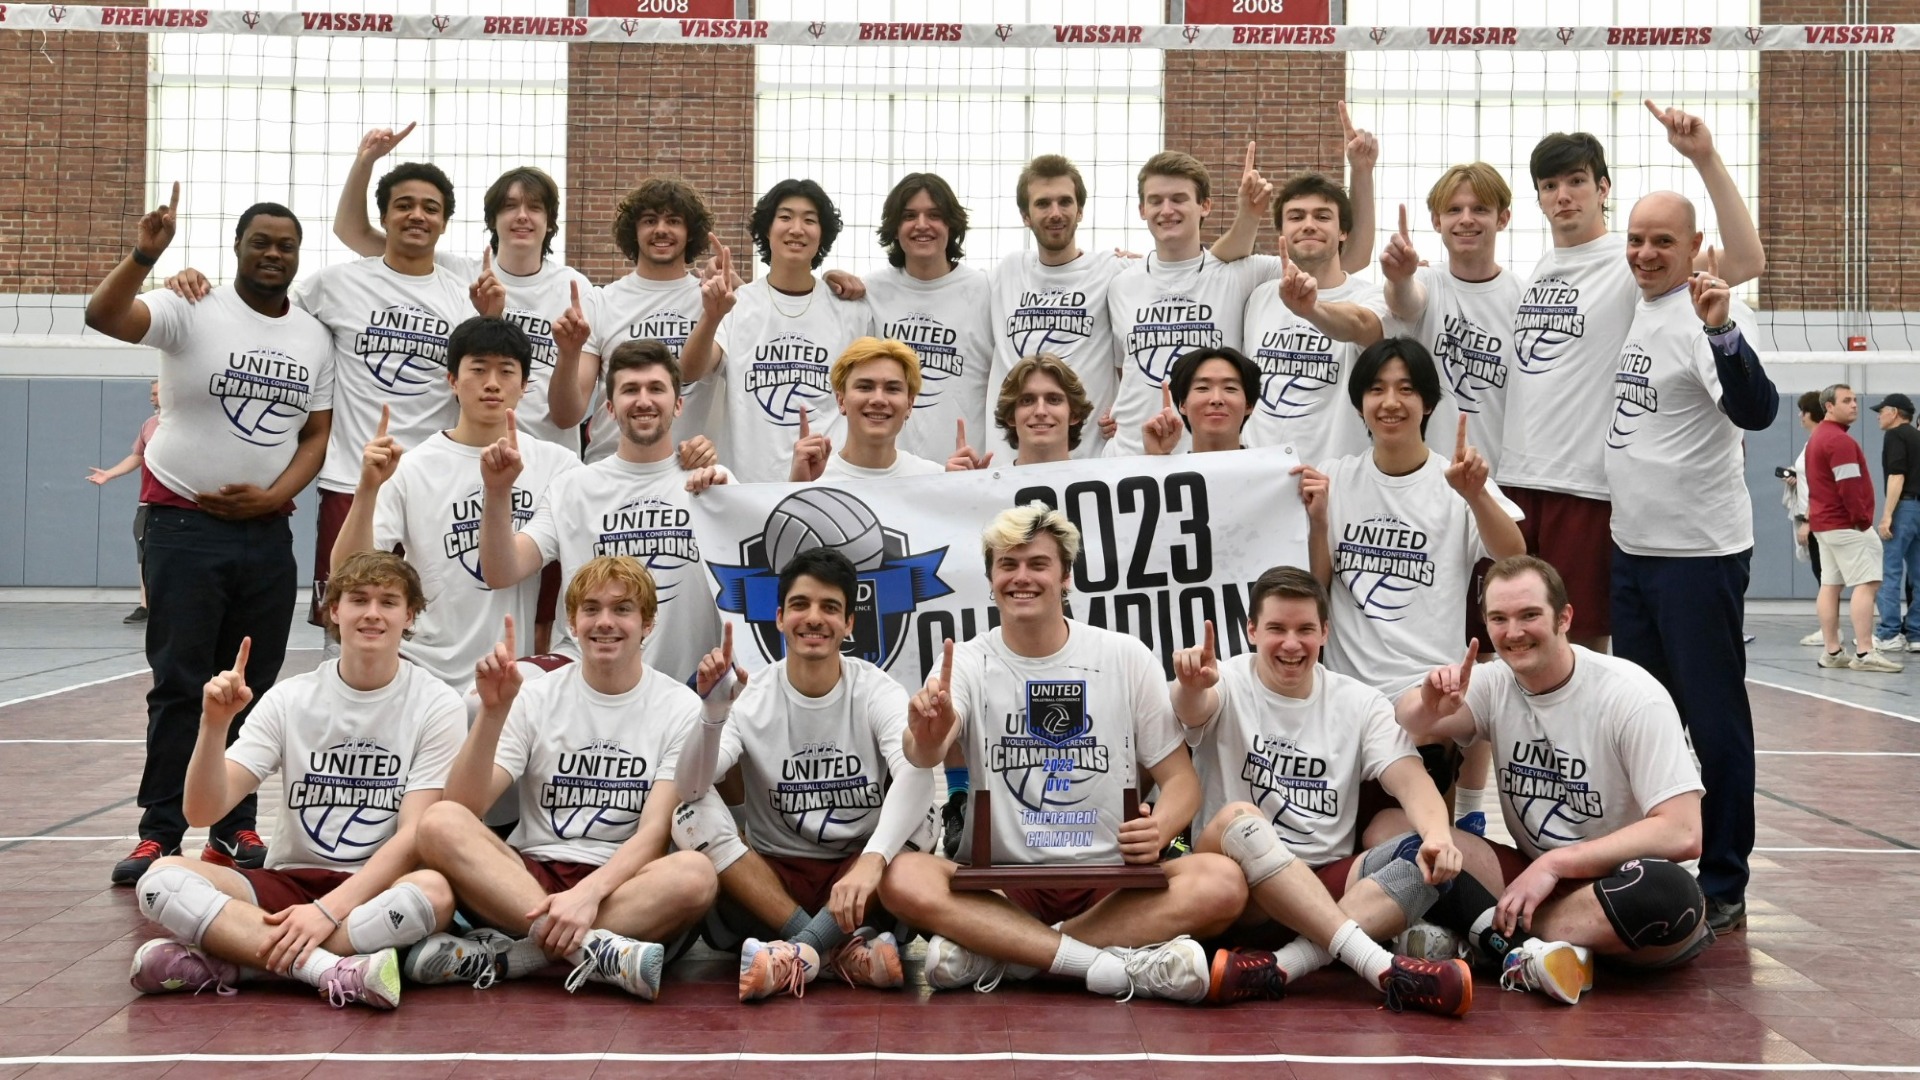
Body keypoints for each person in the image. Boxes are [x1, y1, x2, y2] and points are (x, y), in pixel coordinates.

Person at [877, 504, 1249, 1003]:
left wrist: (1159, 828)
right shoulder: (964, 661)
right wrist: (926, 734)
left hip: (1112, 886)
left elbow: (1181, 782)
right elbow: (923, 754)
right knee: (901, 876)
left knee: (1223, 881)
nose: (1021, 577)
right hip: (1001, 887)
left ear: (1066, 577)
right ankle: (1107, 963)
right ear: (990, 578)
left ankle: (1014, 957)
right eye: (1007, 565)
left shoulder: (1124, 656)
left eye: (1037, 564)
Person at [86, 185, 334, 887]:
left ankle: (233, 825)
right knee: (180, 684)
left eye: (285, 245)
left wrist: (276, 496)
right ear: (237, 249)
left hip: (265, 535)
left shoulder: (312, 335)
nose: (273, 254)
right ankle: (159, 833)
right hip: (182, 528)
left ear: (296, 256)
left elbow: (316, 434)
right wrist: (144, 255)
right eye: (261, 242)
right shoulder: (189, 305)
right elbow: (102, 314)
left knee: (249, 684)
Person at [128, 552, 463, 1009]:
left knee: (435, 894)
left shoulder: (437, 704)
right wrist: (213, 726)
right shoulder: (290, 698)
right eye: (359, 599)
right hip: (288, 885)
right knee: (161, 878)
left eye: (388, 602)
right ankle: (330, 970)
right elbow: (202, 812)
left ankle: (241, 963)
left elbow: (413, 837)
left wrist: (326, 912)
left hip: (377, 888)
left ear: (410, 615)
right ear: (333, 611)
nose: (371, 613)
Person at [1386, 554, 1716, 1005]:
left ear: (1564, 618)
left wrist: (1556, 864)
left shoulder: (1631, 696)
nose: (1513, 632)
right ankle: (1538, 954)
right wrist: (1428, 701)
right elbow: (1406, 719)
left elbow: (1683, 832)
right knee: (1405, 840)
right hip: (1534, 883)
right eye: (1499, 619)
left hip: (1615, 891)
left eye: (1529, 616)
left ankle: (1491, 935)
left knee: (1667, 894)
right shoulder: (1495, 682)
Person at [1499, 102, 1765, 652]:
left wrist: (1705, 158)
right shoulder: (1540, 270)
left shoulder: (1632, 262)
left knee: (1581, 640)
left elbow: (1744, 260)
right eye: (1550, 185)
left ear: (1603, 188)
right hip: (1520, 479)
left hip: (1585, 486)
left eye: (1576, 181)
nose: (1563, 195)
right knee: (1512, 632)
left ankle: (1589, 742)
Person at [405, 557, 717, 998]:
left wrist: (588, 895)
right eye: (591, 609)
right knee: (439, 823)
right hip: (526, 882)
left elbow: (652, 835)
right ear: (572, 622)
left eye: (622, 609)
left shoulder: (679, 706)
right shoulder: (535, 697)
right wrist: (492, 714)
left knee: (696, 874)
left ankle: (515, 957)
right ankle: (594, 950)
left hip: (621, 887)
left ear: (647, 623)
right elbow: (464, 807)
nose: (604, 622)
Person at [1172, 568, 1474, 1015]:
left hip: (1326, 888)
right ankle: (1379, 966)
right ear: (1251, 629)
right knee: (1243, 818)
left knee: (1426, 861)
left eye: (1305, 630)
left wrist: (1437, 836)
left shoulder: (1358, 701)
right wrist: (1190, 687)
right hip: (1236, 885)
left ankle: (1278, 967)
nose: (1291, 643)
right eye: (1276, 628)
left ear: (1325, 633)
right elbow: (1192, 710)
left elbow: (1411, 779)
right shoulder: (1226, 680)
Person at [1605, 201, 1779, 935]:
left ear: (1695, 246)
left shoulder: (1703, 312)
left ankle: (1726, 876)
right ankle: (1660, 857)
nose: (1646, 254)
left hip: (1697, 558)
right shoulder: (1639, 310)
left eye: (1663, 242)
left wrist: (1721, 330)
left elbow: (1759, 409)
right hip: (1633, 551)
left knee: (1711, 720)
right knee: (1651, 724)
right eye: (1637, 240)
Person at [671, 548, 941, 1001]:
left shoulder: (876, 688)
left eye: (830, 608)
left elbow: (915, 773)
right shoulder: (751, 695)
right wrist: (713, 712)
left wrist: (872, 862)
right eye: (800, 605)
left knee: (926, 814)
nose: (813, 618)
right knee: (688, 814)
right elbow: (690, 787)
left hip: (859, 881)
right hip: (771, 885)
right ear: (779, 617)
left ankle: (795, 956)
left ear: (850, 623)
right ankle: (832, 950)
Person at [330, 316, 581, 688]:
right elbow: (347, 572)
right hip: (421, 669)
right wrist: (367, 488)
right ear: (452, 381)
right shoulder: (413, 467)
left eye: (506, 371)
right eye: (478, 369)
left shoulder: (556, 465)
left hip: (508, 670)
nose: (492, 384)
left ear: (526, 385)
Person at [477, 340, 727, 686]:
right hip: (588, 676)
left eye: (656, 388)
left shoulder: (714, 484)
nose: (643, 400)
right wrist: (498, 491)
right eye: (630, 390)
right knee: (482, 698)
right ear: (609, 407)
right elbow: (502, 571)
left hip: (690, 683)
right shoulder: (573, 488)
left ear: (679, 404)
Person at [293, 156, 472, 629]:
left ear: (444, 222)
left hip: (432, 486)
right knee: (346, 615)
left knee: (426, 615)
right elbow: (267, 319)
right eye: (405, 205)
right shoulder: (337, 284)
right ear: (384, 216)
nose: (418, 215)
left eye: (430, 208)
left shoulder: (462, 297)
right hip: (351, 480)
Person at [334, 127, 592, 454]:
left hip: (548, 455)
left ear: (551, 221)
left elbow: (570, 413)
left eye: (535, 207)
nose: (522, 216)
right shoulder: (454, 273)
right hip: (473, 454)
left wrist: (569, 351)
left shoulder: (575, 288)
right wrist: (365, 162)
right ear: (492, 220)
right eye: (510, 206)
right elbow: (351, 232)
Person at [1297, 338, 1523, 702]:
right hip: (1346, 691)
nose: (1390, 403)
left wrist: (1476, 495)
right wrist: (1320, 524)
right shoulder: (1334, 479)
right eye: (1376, 390)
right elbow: (1316, 590)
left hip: (1429, 687)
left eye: (1406, 389)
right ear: (1359, 405)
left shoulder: (1457, 479)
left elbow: (1513, 555)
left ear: (1428, 403)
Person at [679, 180, 876, 483]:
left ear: (822, 234)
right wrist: (711, 316)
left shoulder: (852, 310)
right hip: (749, 488)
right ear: (767, 230)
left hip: (829, 483)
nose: (797, 228)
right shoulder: (738, 303)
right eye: (785, 217)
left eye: (809, 220)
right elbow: (690, 371)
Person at [1102, 147, 1271, 457]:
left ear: (1205, 206)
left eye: (1178, 199)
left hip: (1209, 457)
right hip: (1131, 457)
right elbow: (1124, 370)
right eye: (1155, 201)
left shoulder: (1239, 274)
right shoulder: (1120, 283)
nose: (1166, 210)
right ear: (1142, 209)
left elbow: (1338, 262)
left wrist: (1249, 214)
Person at [1240, 172, 1412, 467]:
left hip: (1335, 477)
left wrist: (1312, 309)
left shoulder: (1372, 295)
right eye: (1296, 217)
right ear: (1281, 231)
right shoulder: (1258, 296)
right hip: (1260, 476)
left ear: (1343, 231)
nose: (1309, 225)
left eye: (1322, 216)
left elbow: (1361, 325)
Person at [556, 178, 721, 463]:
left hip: (688, 472)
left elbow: (691, 373)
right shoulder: (601, 301)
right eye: (649, 220)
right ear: (633, 231)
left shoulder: (713, 300)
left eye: (673, 220)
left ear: (690, 232)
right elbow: (565, 415)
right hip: (610, 466)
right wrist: (568, 355)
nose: (661, 229)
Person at [985, 155, 1127, 461]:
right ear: (1025, 215)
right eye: (1042, 203)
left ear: (1080, 211)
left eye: (1065, 202)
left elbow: (1185, 269)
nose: (1055, 213)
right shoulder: (1007, 272)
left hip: (1085, 461)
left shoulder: (1111, 270)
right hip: (1009, 464)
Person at [1381, 164, 1519, 475]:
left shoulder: (1521, 296)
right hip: (1425, 477)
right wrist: (1400, 279)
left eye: (1480, 209)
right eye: (1454, 209)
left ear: (1503, 219)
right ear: (1436, 221)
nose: (1466, 219)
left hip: (1497, 476)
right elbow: (1406, 302)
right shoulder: (1427, 281)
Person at [863, 172, 995, 462]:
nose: (922, 225)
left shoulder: (985, 289)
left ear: (951, 224)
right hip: (889, 471)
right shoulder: (870, 291)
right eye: (909, 216)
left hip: (964, 467)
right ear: (895, 227)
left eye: (934, 215)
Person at [1807, 384, 1900, 672]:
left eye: (1855, 400)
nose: (1854, 405)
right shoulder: (1839, 441)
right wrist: (1861, 520)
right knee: (1868, 582)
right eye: (1846, 401)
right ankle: (1864, 652)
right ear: (1829, 407)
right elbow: (1848, 486)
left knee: (1830, 585)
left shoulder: (1817, 438)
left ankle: (1832, 651)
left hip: (1824, 524)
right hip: (1847, 524)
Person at [790, 338, 954, 481]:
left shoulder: (936, 480)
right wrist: (796, 492)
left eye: (892, 389)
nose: (878, 400)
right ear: (841, 400)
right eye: (865, 387)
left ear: (909, 404)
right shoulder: (812, 478)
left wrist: (968, 489)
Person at [88, 380, 161, 623]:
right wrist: (109, 473)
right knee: (144, 553)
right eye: (151, 394)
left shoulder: (187, 425)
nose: (152, 398)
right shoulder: (149, 426)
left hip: (180, 503)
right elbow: (137, 456)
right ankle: (145, 605)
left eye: (157, 394)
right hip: (148, 503)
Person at [1141, 345, 1261, 455]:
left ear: (1249, 405)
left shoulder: (1271, 473)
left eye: (1230, 388)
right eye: (1202, 388)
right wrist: (1156, 457)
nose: (1216, 399)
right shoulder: (1172, 473)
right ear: (1182, 404)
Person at [1872, 392, 1920, 652]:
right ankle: (1916, 634)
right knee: (1919, 576)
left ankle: (1889, 633)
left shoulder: (1895, 435)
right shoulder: (1918, 437)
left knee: (1889, 571)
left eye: (1882, 410)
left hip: (1905, 508)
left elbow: (1897, 476)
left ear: (1895, 412)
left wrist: (1888, 514)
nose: (1879, 415)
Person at [989, 354, 1094, 467]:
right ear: (1010, 416)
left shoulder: (1099, 481)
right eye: (1027, 401)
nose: (1040, 411)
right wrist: (969, 480)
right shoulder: (988, 483)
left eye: (1053, 400)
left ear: (1074, 414)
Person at [1784, 392, 1827, 647]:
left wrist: (1808, 521)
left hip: (1818, 519)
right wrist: (1795, 480)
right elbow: (1810, 480)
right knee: (1822, 575)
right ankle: (1828, 629)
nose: (1800, 416)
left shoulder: (1819, 441)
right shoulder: (1811, 442)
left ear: (1812, 413)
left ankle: (1829, 631)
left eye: (1803, 411)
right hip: (1812, 515)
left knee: (1825, 576)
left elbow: (1820, 485)